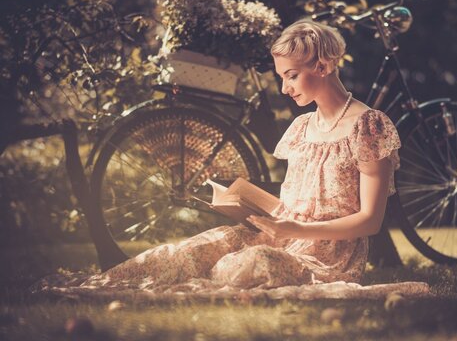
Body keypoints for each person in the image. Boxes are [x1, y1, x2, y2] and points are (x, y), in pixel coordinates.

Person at [74, 19, 401, 292]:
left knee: (255, 262)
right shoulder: (303, 127)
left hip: (327, 258)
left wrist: (295, 231)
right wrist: (249, 209)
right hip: (280, 236)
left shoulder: (368, 126)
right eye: (281, 77)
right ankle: (99, 288)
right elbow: (294, 204)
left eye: (291, 75)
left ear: (324, 66)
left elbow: (370, 221)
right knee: (190, 250)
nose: (285, 88)